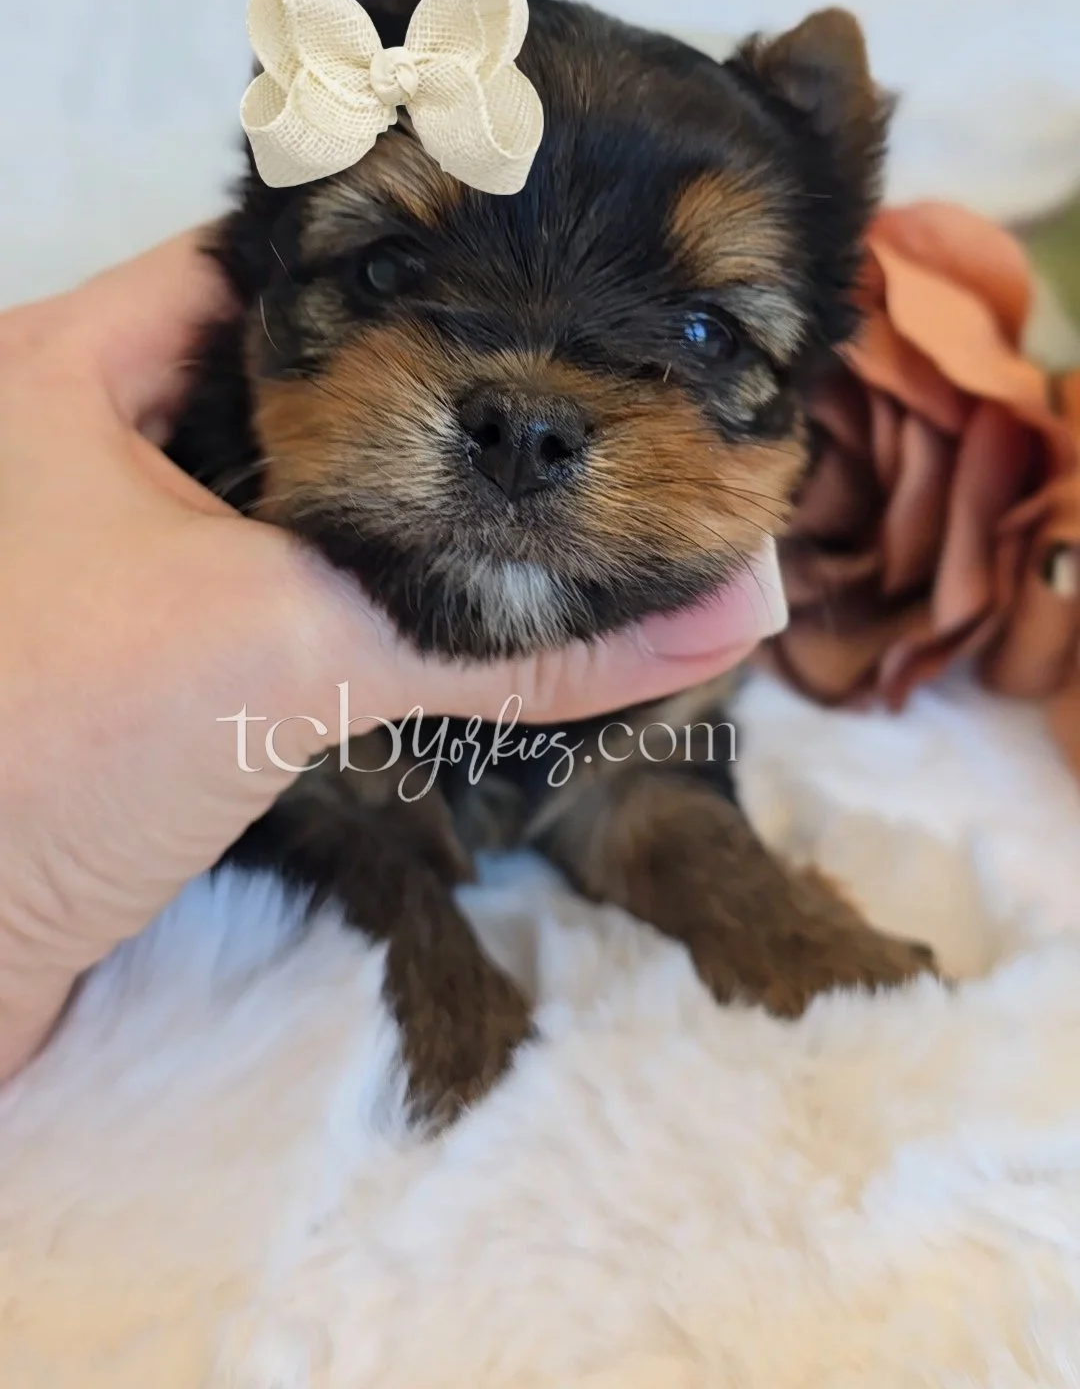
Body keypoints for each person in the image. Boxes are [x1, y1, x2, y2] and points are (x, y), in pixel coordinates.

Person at [0, 232, 786, 1081]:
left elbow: (646, 795)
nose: (526, 421)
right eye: (390, 272)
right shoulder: (173, 611)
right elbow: (303, 815)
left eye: (703, 332)